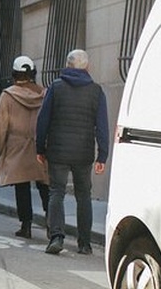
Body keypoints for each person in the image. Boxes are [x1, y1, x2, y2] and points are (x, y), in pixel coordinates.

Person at [36, 49, 108, 255]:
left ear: (67, 65)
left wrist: (40, 148)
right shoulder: (96, 91)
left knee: (56, 192)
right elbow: (102, 125)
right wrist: (102, 155)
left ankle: (56, 236)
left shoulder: (56, 88)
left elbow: (43, 121)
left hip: (57, 151)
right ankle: (84, 243)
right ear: (87, 67)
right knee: (83, 195)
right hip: (83, 152)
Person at [0, 56, 50, 239]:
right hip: (41, 146)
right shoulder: (45, 93)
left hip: (17, 146)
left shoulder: (8, 96)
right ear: (33, 72)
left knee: (22, 187)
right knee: (45, 186)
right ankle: (51, 225)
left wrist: (2, 150)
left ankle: (26, 225)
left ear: (15, 74)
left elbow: (1, 126)